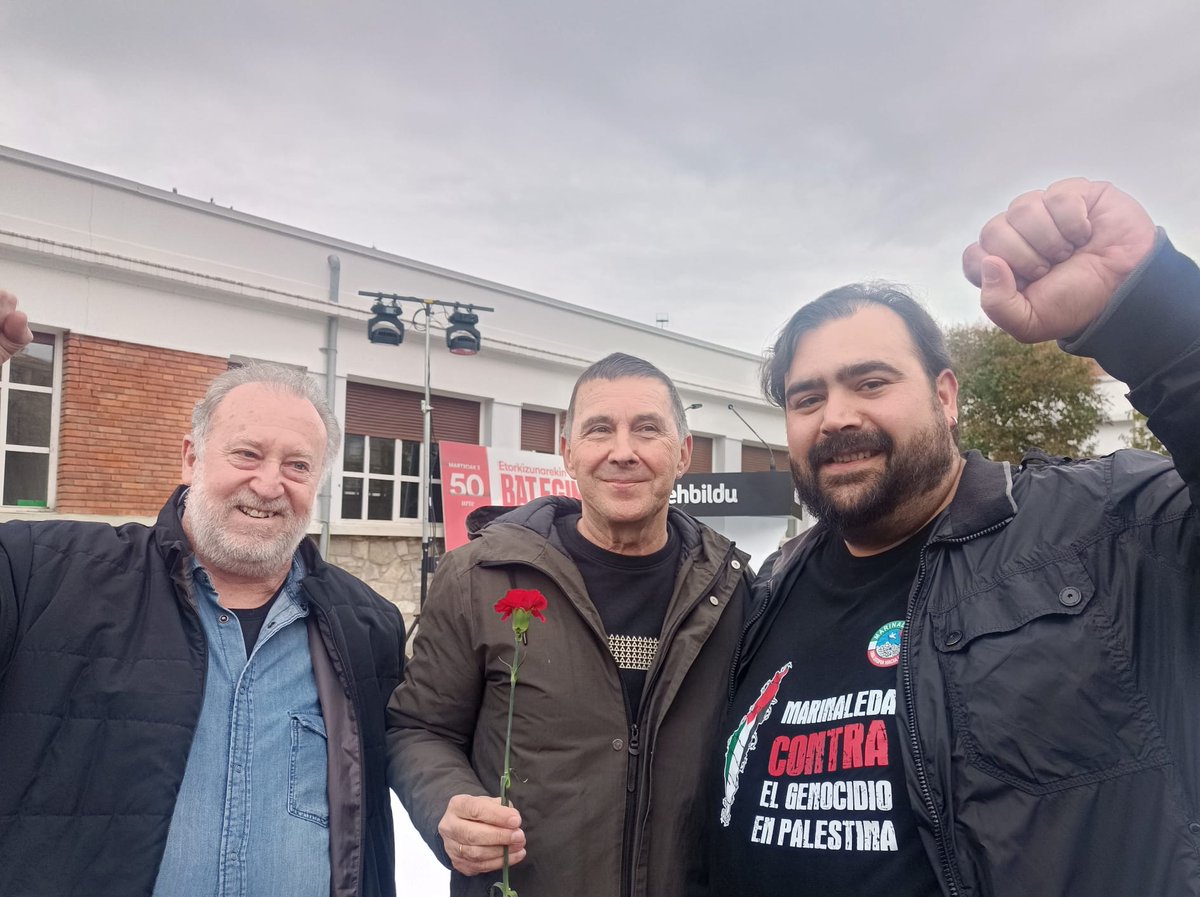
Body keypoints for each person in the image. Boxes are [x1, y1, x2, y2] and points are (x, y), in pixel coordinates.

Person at [712, 178, 1200, 897]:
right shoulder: (767, 590)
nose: (835, 416)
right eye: (806, 397)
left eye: (870, 382)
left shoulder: (1103, 527)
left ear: (945, 397)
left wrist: (1154, 314)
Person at [0, 293, 407, 897]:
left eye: (298, 466)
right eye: (246, 454)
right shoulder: (39, 573)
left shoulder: (369, 625)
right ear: (191, 458)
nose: (269, 484)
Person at [388, 352, 751, 897]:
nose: (622, 452)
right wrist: (447, 804)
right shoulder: (480, 577)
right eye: (600, 429)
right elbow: (420, 728)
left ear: (683, 454)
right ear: (569, 453)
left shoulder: (733, 591)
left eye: (647, 430)